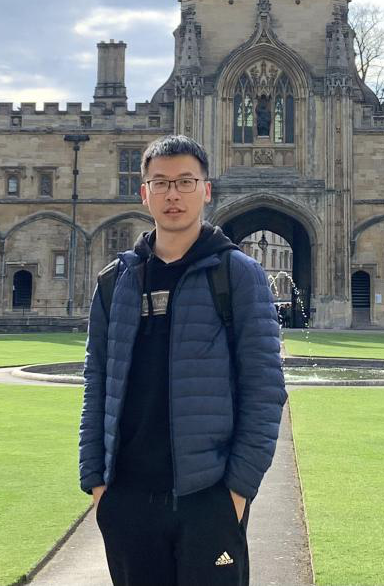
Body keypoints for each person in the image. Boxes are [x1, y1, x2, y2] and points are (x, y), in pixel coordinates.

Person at [79, 134, 286, 586]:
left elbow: (266, 389)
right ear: (145, 193)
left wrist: (237, 491)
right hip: (128, 499)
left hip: (207, 497)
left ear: (206, 190)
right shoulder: (114, 281)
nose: (173, 193)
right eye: (161, 183)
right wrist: (97, 484)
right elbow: (97, 382)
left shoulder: (239, 275)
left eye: (186, 181)